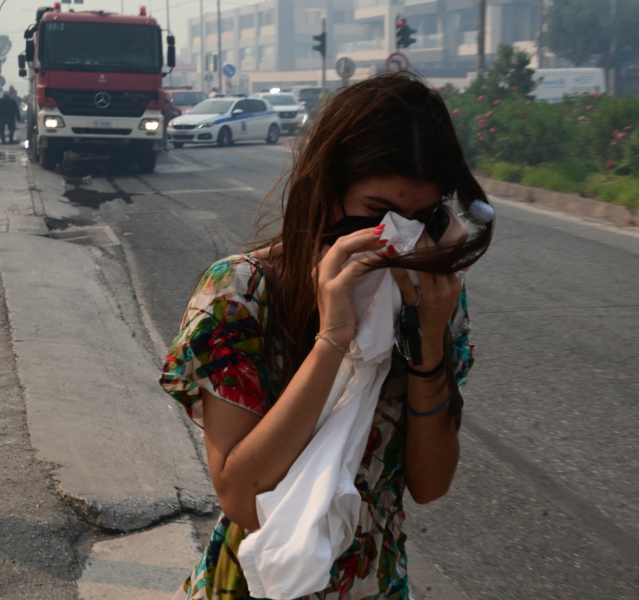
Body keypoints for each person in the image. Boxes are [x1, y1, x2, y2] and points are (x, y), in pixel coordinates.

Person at [160, 72, 494, 600]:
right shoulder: (240, 294)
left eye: (423, 218)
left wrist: (428, 345)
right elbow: (243, 498)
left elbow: (430, 485)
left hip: (375, 584)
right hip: (255, 583)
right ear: (327, 191)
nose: (399, 239)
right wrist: (333, 339)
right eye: (379, 214)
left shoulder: (432, 298)